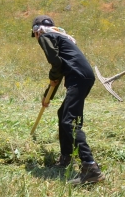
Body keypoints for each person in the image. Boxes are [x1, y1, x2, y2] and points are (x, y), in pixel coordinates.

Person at [32, 15, 103, 184]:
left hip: (78, 77)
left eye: (35, 34)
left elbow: (56, 64)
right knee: (63, 113)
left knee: (69, 121)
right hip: (83, 77)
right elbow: (61, 68)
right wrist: (48, 95)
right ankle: (66, 157)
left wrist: (51, 85)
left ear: (36, 30)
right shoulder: (60, 37)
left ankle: (90, 167)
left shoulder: (45, 36)